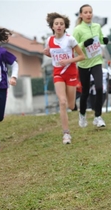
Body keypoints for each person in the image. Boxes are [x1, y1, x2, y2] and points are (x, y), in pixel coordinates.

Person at [44, 12, 85, 144]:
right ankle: (66, 134)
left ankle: (75, 105)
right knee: (62, 102)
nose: (59, 26)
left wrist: (69, 60)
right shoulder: (49, 41)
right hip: (58, 73)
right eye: (56, 24)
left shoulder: (70, 39)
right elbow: (54, 56)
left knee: (71, 105)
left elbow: (81, 56)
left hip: (71, 73)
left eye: (61, 24)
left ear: (65, 26)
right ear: (52, 26)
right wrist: (48, 54)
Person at [73, 4, 109, 128]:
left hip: (96, 61)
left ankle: (98, 116)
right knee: (85, 92)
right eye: (86, 12)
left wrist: (105, 40)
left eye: (90, 12)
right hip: (83, 64)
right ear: (81, 15)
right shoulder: (77, 30)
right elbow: (73, 48)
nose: (88, 14)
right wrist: (83, 44)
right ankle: (82, 114)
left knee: (99, 88)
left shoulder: (97, 26)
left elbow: (100, 39)